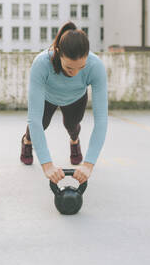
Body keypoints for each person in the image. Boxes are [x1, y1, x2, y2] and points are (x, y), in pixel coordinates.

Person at [20, 21, 108, 185]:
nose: (75, 73)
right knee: (39, 125)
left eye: (80, 68)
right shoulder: (41, 63)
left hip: (76, 99)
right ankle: (26, 141)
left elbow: (102, 120)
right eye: (69, 68)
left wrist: (88, 164)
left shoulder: (96, 66)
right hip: (48, 98)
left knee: (72, 126)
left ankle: (74, 141)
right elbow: (34, 119)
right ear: (58, 53)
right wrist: (47, 165)